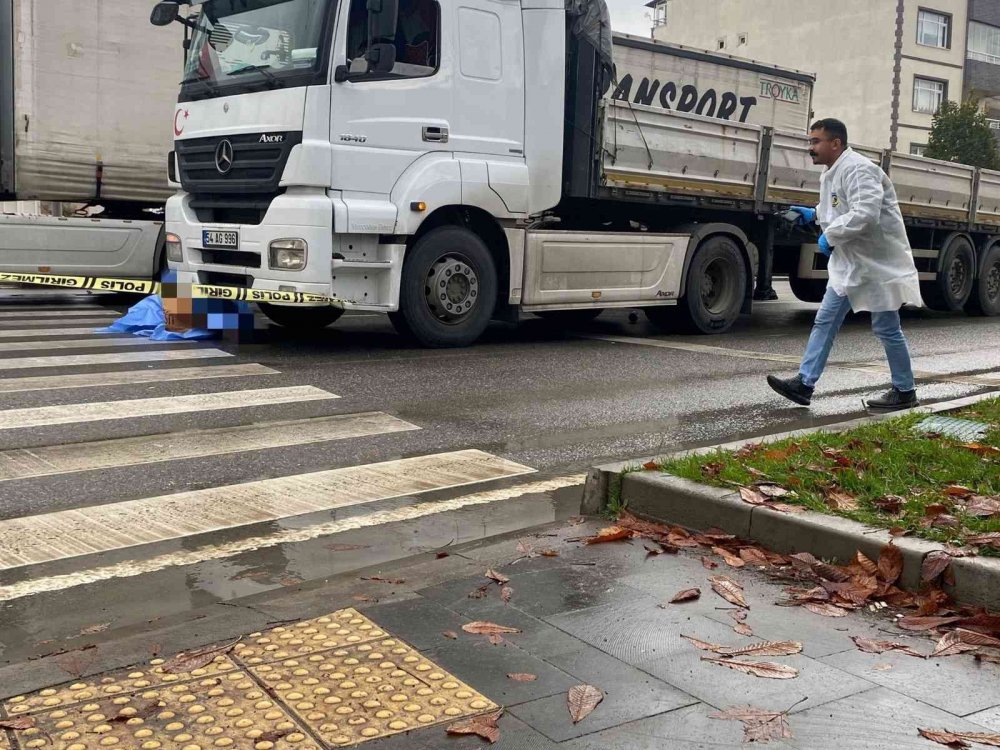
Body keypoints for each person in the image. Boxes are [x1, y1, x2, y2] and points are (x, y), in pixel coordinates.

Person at [767, 118, 924, 413]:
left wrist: (831, 235)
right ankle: (804, 384)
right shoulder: (832, 173)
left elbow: (865, 213)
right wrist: (812, 215)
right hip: (851, 266)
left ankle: (905, 390)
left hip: (878, 266)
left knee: (886, 328)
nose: (810, 147)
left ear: (835, 143)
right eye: (810, 141)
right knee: (825, 320)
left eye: (816, 141)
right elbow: (838, 208)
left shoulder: (859, 169)